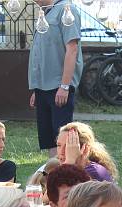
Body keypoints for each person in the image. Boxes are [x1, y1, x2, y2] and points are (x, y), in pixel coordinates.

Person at [28, 0, 83, 157]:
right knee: (49, 140)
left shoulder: (66, 9)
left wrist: (65, 86)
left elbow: (72, 49)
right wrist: (36, 88)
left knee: (62, 138)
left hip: (59, 86)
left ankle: (65, 173)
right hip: (42, 87)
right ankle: (53, 173)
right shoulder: (45, 12)